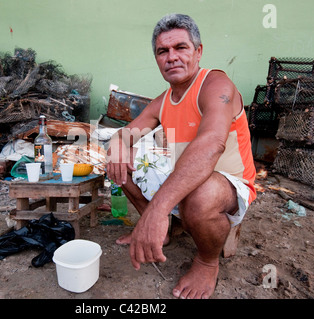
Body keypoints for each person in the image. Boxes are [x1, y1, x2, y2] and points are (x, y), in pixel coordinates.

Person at [106, 13, 256, 299]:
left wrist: (158, 209)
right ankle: (161, 233)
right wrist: (116, 144)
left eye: (181, 48)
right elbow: (126, 133)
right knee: (120, 159)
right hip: (189, 175)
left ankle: (207, 261)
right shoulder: (163, 100)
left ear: (198, 52)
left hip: (229, 184)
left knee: (199, 193)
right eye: (163, 51)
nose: (171, 57)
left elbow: (210, 145)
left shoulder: (216, 85)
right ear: (157, 60)